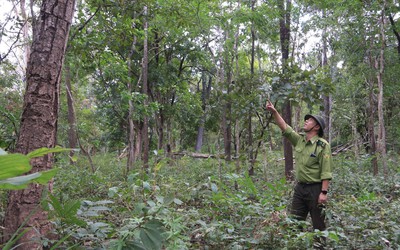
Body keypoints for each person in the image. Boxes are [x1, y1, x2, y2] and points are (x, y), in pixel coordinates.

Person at [266, 100, 333, 240]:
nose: (306, 121)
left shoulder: (322, 145)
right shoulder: (300, 140)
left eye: (310, 120)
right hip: (300, 188)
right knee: (294, 223)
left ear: (316, 127)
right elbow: (285, 127)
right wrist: (274, 112)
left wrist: (324, 192)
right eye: (307, 119)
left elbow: (326, 170)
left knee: (318, 226)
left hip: (315, 189)